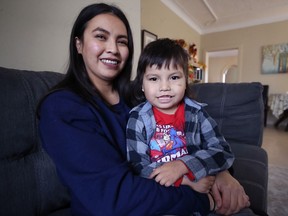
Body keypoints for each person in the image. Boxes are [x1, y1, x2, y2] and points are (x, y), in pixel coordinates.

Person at [37, 3, 250, 216]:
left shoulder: (141, 97)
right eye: (101, 37)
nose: (113, 48)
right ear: (79, 44)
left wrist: (220, 173)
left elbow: (202, 141)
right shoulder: (62, 108)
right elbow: (114, 198)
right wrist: (203, 199)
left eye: (122, 41)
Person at [126, 38, 234, 196]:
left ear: (186, 81)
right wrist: (184, 180)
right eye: (154, 79)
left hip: (199, 185)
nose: (164, 87)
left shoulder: (197, 113)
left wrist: (183, 166)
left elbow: (223, 152)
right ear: (142, 84)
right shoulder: (137, 118)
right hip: (160, 189)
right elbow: (137, 165)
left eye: (174, 77)